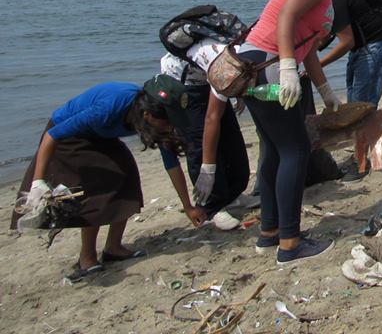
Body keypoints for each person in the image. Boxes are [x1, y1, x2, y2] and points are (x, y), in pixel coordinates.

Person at [236, 0, 359, 264]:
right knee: (296, 149)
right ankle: (290, 243)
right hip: (268, 62)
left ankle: (270, 232)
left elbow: (306, 43)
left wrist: (324, 90)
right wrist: (288, 69)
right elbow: (286, 19)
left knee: (277, 150)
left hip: (261, 63)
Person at [11, 82, 189, 280]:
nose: (170, 127)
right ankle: (86, 258)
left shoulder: (153, 114)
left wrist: (188, 206)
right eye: (167, 122)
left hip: (100, 135)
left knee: (127, 176)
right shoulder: (110, 107)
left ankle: (113, 248)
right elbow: (52, 136)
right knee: (96, 189)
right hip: (67, 136)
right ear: (147, 116)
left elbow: (171, 163)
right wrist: (38, 182)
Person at [159, 39, 250, 231]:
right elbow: (211, 118)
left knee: (230, 139)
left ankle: (232, 194)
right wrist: (207, 168)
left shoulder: (243, 53)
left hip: (206, 77)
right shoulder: (223, 61)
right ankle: (211, 207)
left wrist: (239, 94)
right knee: (200, 142)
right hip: (185, 86)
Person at [318, 0, 382, 181]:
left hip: (376, 46)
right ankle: (364, 158)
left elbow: (346, 41)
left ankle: (365, 163)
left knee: (363, 106)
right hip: (364, 47)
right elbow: (327, 36)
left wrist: (317, 66)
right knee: (355, 104)